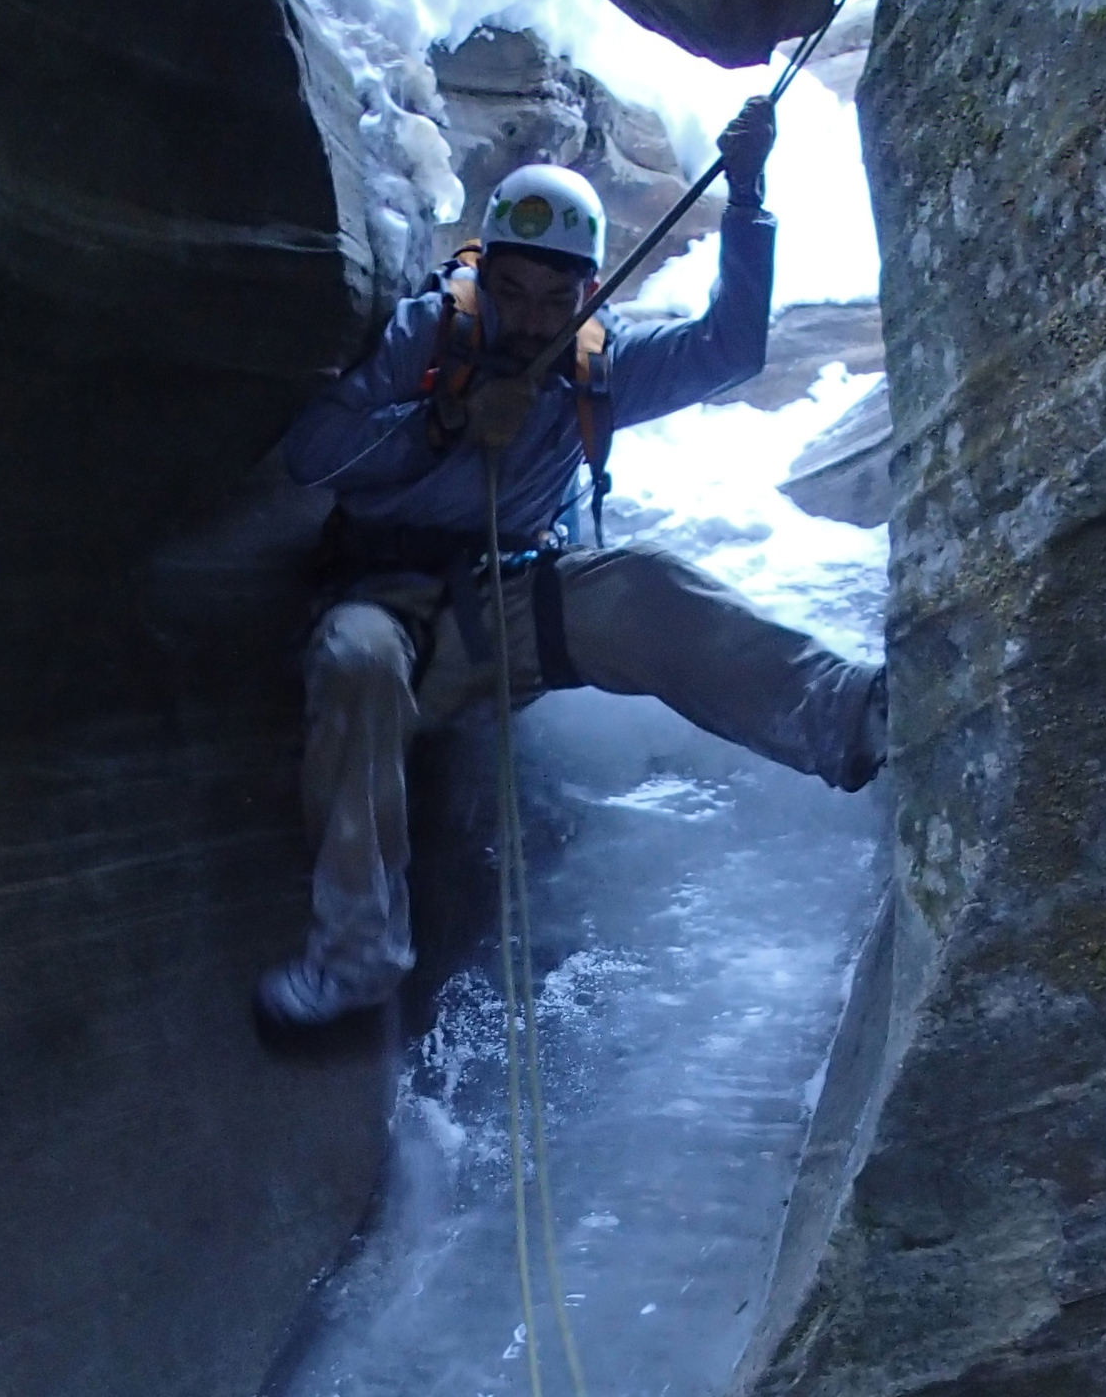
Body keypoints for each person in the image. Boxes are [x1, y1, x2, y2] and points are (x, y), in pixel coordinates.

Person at [256, 95, 887, 1032]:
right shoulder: (426, 339)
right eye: (514, 290)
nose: (532, 315)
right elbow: (315, 458)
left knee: (644, 585)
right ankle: (356, 953)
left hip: (504, 605)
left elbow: (727, 352)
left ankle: (851, 717)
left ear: (589, 295)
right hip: (381, 604)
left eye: (559, 297)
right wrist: (442, 424)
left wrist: (747, 198)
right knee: (356, 659)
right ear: (486, 271)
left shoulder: (595, 368)